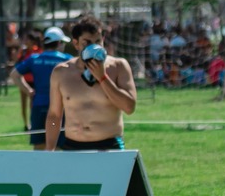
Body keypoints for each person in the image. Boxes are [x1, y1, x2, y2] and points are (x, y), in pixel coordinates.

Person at [46, 15, 138, 151]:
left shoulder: (119, 66)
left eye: (97, 42)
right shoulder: (61, 72)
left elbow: (129, 107)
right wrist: (49, 149)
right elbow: (54, 115)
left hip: (109, 145)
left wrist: (103, 78)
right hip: (73, 146)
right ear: (76, 43)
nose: (93, 47)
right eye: (87, 43)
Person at [14, 28, 72, 147]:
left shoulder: (35, 59)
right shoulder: (67, 60)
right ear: (59, 43)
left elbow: (14, 74)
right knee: (59, 145)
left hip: (39, 106)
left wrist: (29, 91)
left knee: (39, 145)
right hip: (61, 108)